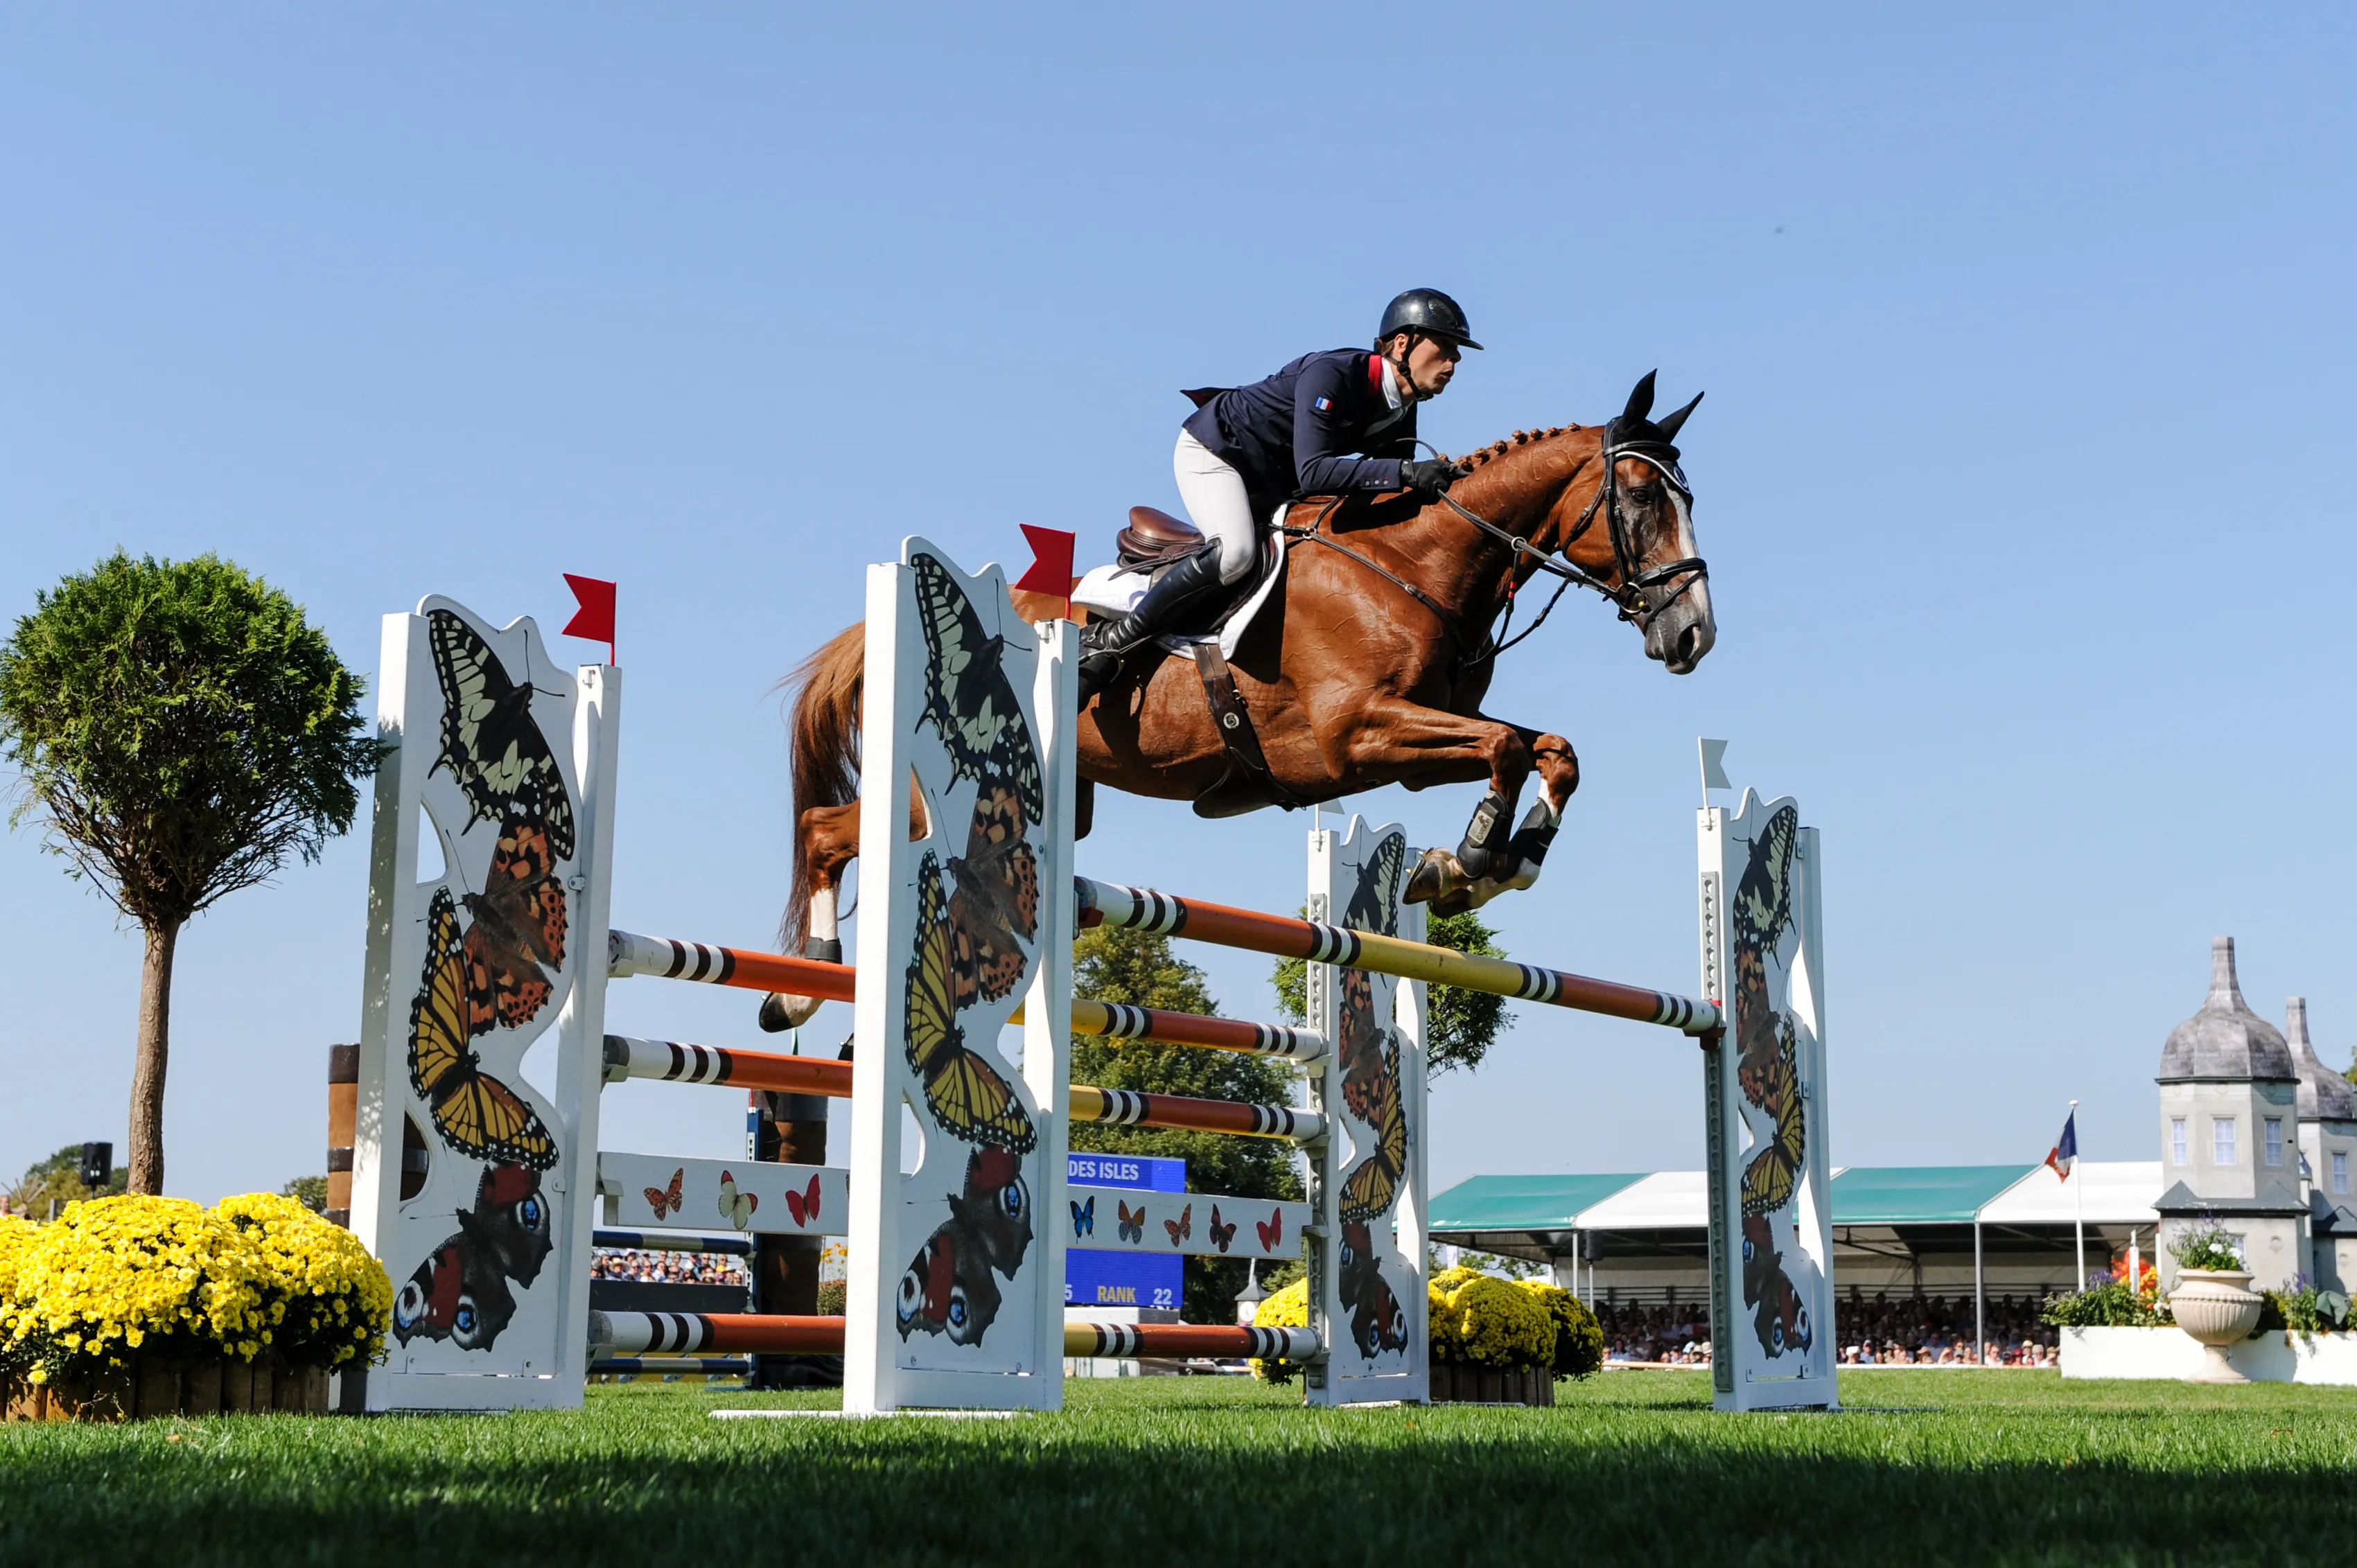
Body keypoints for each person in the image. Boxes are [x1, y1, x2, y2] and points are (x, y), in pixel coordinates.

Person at [1076, 288, 1482, 701]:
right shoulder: (1335, 375)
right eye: (1446, 346)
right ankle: (1109, 647)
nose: (1455, 360)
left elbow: (1375, 493)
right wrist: (1408, 472)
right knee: (1236, 555)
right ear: (1402, 343)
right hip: (1219, 452)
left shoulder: (1402, 408)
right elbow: (1315, 473)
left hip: (1272, 481)